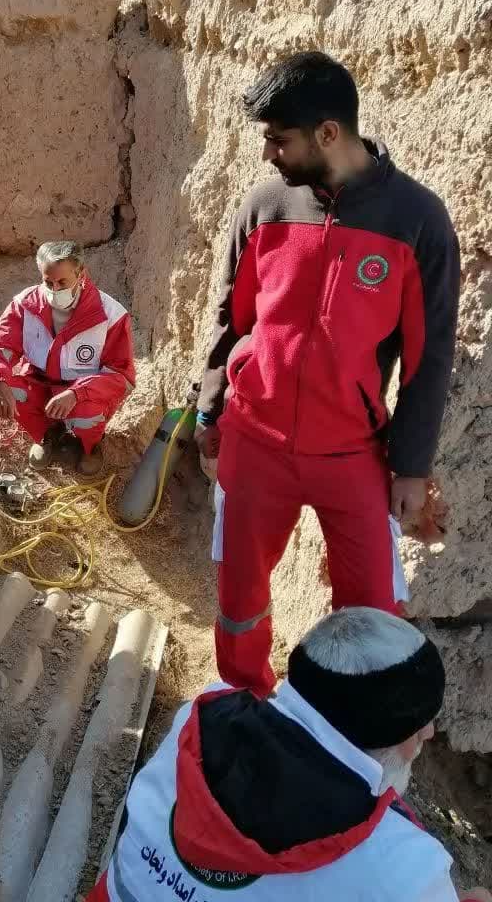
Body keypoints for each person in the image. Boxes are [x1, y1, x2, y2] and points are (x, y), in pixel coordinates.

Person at [195, 52, 460, 696]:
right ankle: (247, 697)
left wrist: (411, 467)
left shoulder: (418, 221)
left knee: (374, 611)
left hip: (352, 454)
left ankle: (349, 726)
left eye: (278, 140)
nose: (268, 154)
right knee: (239, 596)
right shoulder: (263, 206)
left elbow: (429, 359)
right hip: (255, 443)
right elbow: (232, 318)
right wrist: (210, 407)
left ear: (329, 133)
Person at [87, 607, 490, 902]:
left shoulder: (202, 714)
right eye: (421, 721)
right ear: (390, 734)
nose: (429, 732)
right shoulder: (407, 866)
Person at [0, 241, 135, 476]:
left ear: (80, 274)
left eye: (62, 282)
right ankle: (48, 434)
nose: (55, 289)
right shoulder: (25, 304)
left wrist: (76, 393)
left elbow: (121, 376)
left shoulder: (111, 315)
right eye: (48, 282)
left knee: (87, 416)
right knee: (7, 390)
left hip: (84, 393)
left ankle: (89, 446)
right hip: (40, 384)